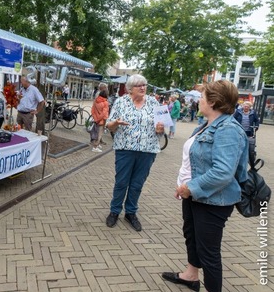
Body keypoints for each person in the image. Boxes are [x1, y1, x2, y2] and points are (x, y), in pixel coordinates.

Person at [162, 80, 248, 292]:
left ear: (214, 102)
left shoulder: (228, 129)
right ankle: (191, 276)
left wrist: (189, 187)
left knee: (209, 252)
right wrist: (185, 187)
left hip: (213, 201)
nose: (198, 100)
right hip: (194, 196)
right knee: (192, 236)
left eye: (202, 97)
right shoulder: (207, 124)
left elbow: (222, 172)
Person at [105, 74, 165, 232]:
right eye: (139, 85)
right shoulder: (121, 102)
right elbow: (109, 125)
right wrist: (115, 124)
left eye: (144, 84)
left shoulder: (154, 102)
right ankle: (114, 211)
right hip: (125, 150)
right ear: (130, 89)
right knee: (121, 183)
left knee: (137, 184)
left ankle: (130, 213)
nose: (143, 88)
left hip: (147, 150)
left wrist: (161, 129)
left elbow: (163, 127)